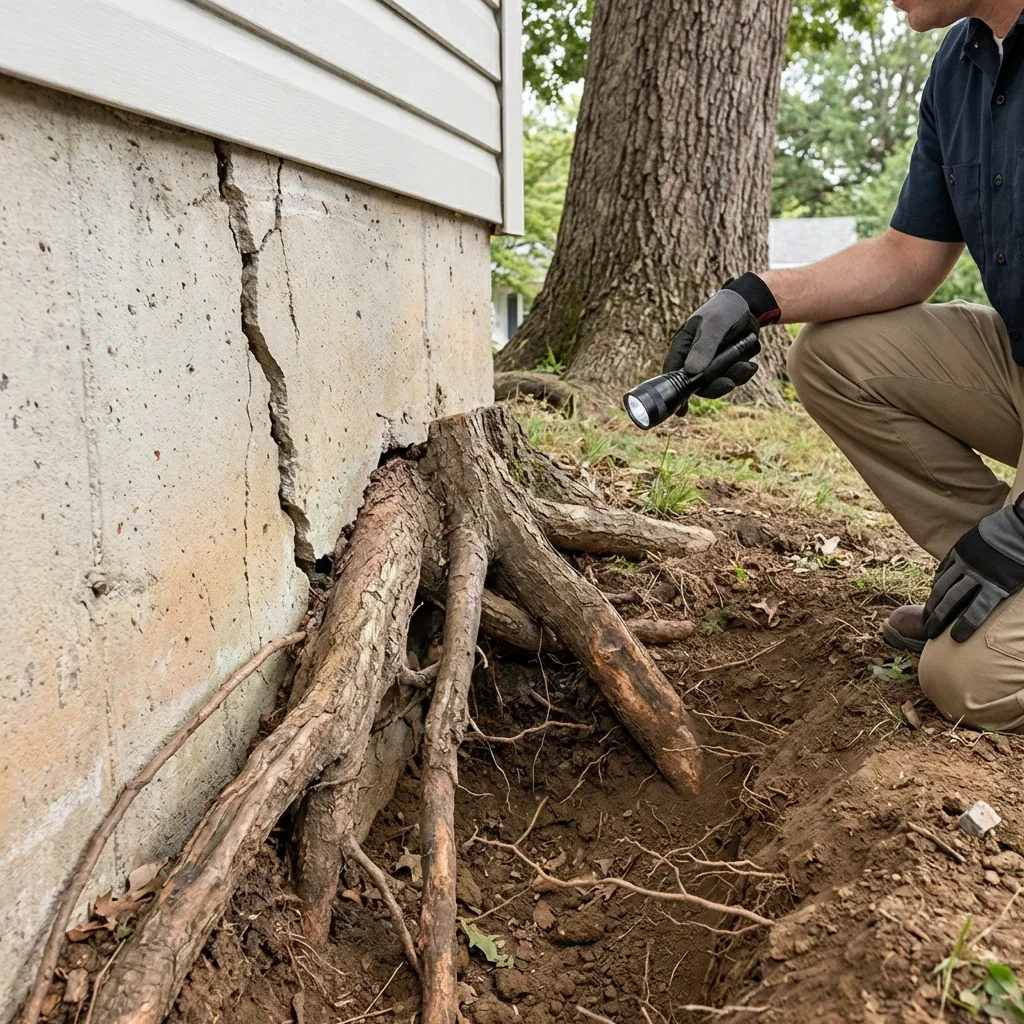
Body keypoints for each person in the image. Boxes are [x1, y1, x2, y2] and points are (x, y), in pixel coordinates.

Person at [667, 0, 1024, 734]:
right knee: (834, 358)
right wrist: (753, 298)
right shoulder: (959, 66)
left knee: (969, 682)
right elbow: (907, 260)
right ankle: (987, 572)